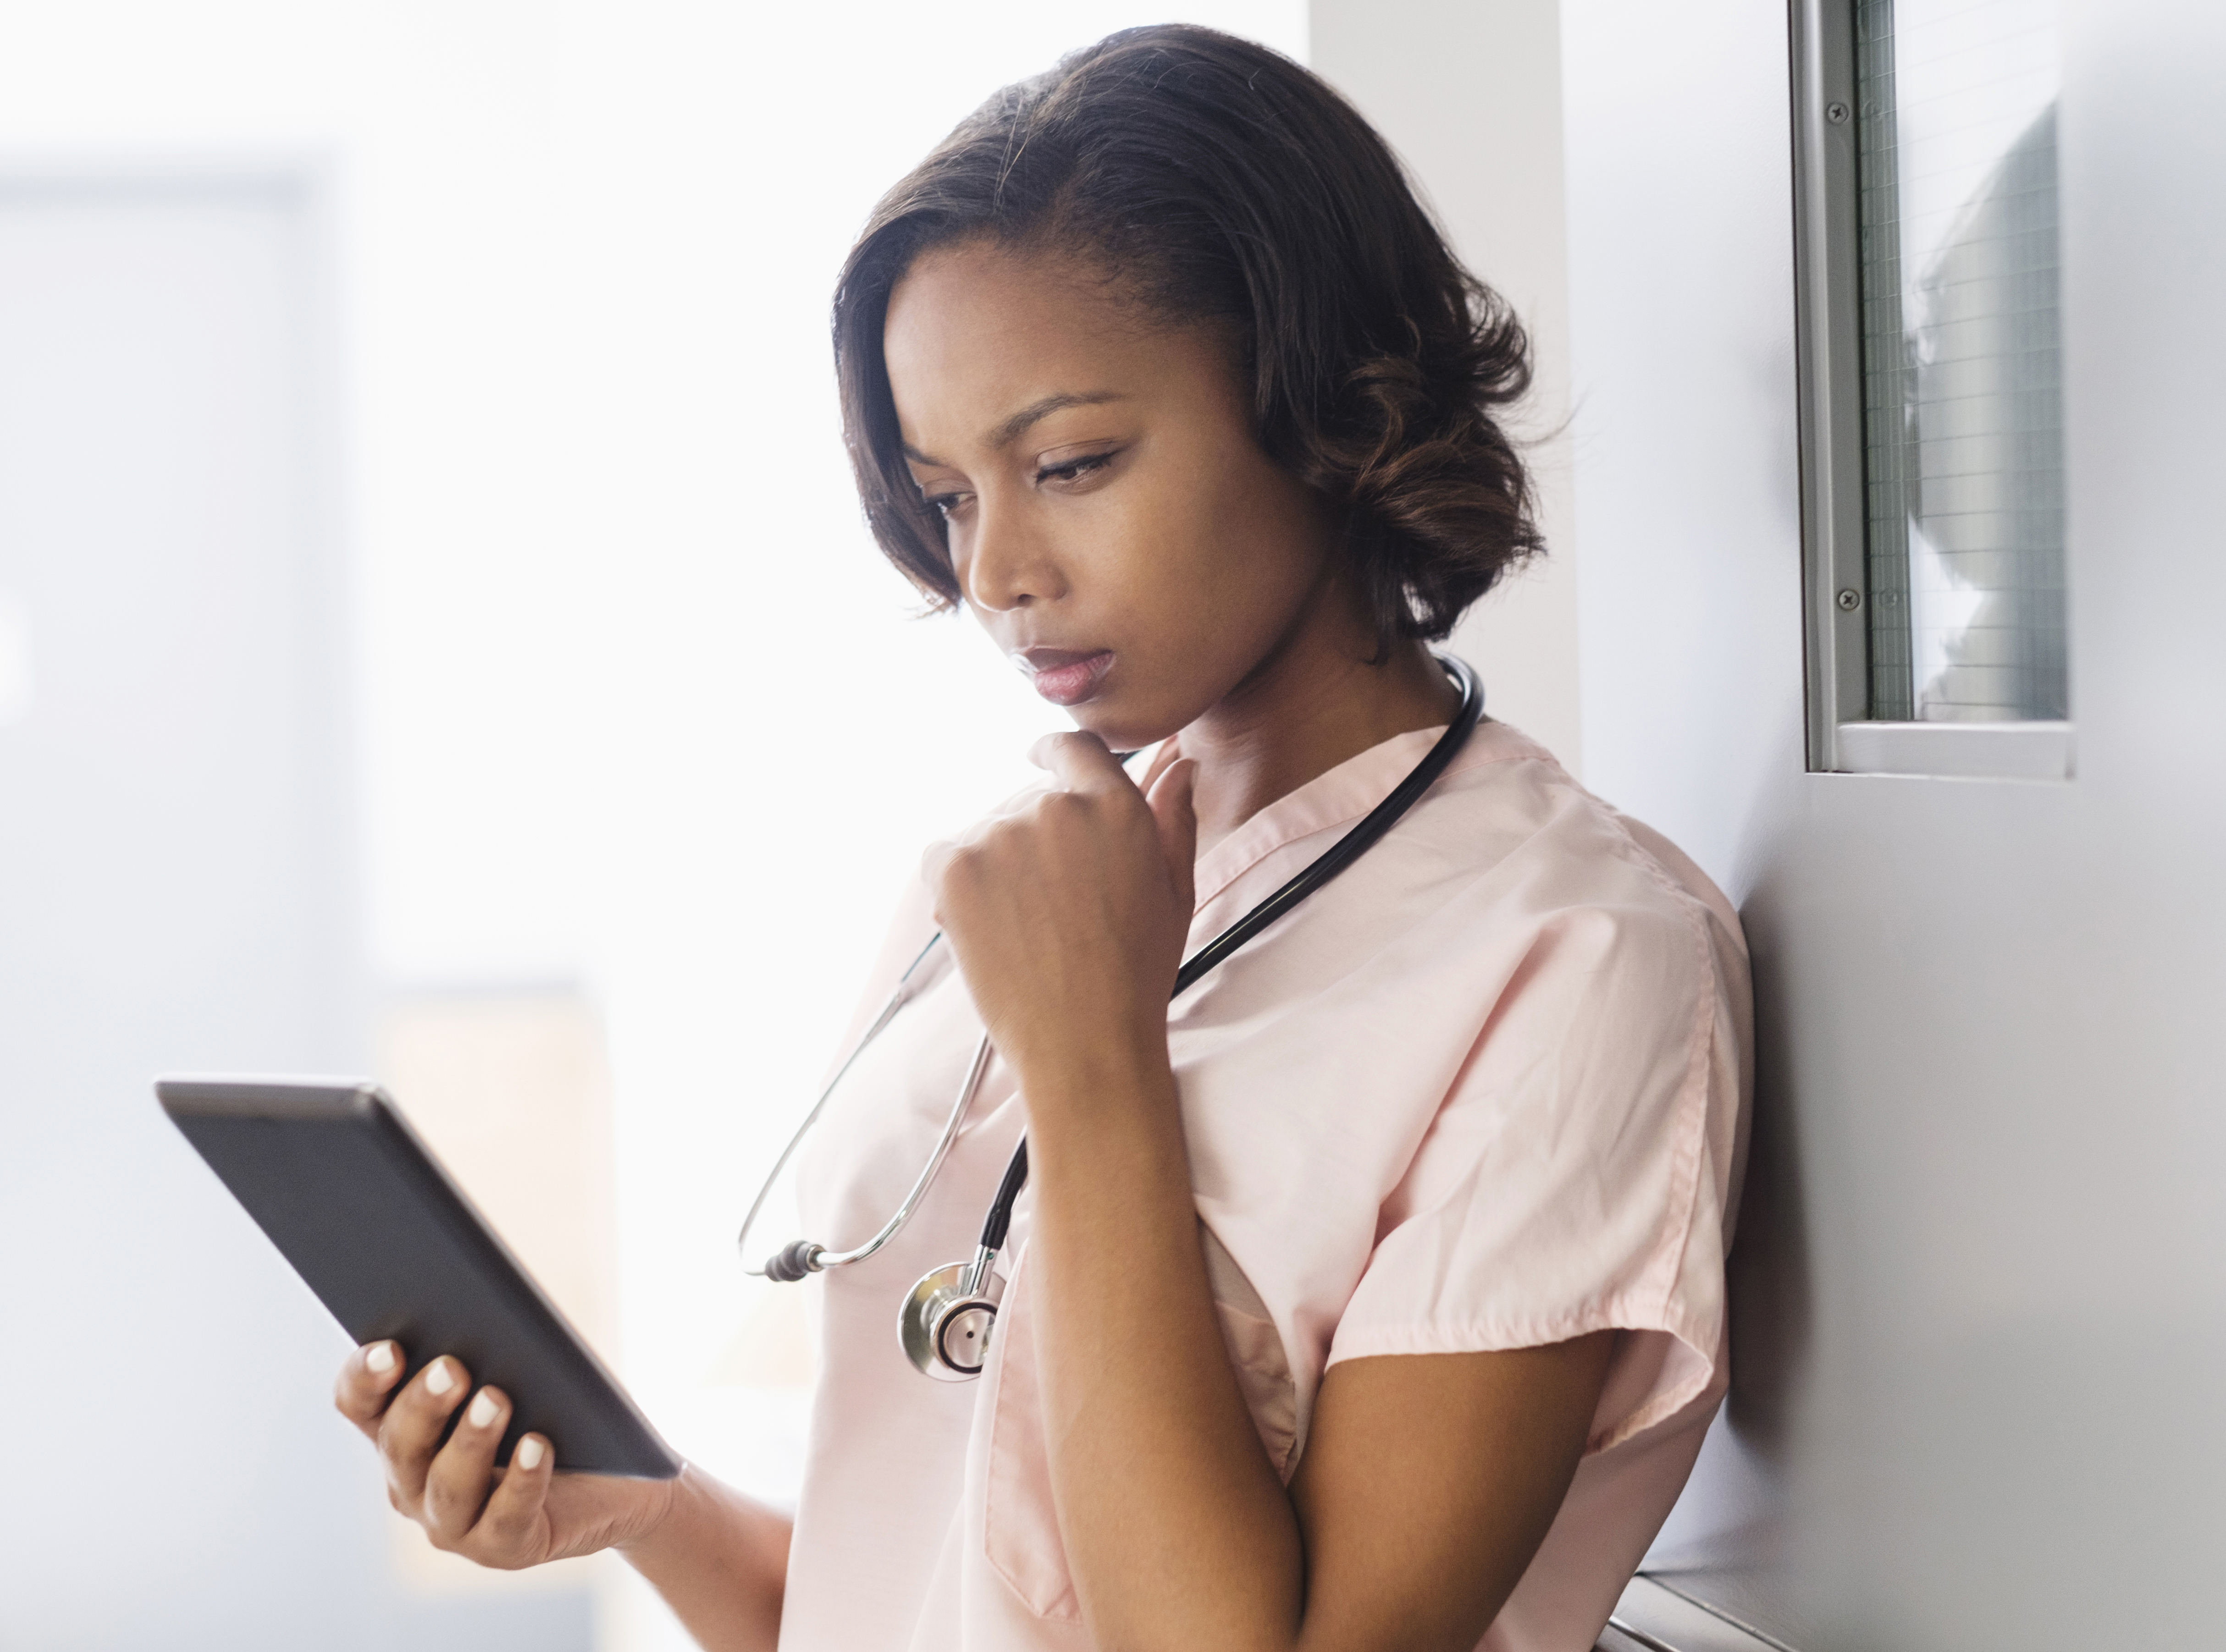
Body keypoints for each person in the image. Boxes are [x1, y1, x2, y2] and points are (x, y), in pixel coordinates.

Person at [332, 24, 1751, 1652]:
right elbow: (925, 1593)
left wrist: (1095, 1071)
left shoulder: (1580, 962)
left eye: (1071, 463)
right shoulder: (1014, 889)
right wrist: (645, 1506)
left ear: (1325, 404)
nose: (996, 570)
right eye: (945, 497)